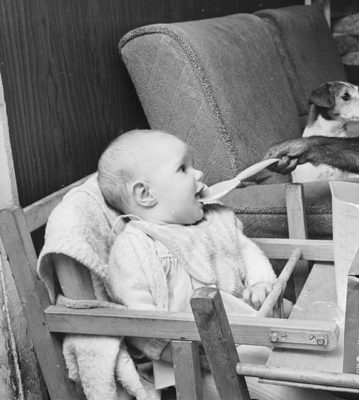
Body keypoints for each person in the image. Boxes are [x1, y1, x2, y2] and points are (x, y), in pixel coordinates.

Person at [98, 129, 338, 400]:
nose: (198, 174)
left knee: (311, 338)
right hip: (198, 364)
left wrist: (261, 282)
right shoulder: (135, 247)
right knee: (291, 393)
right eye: (183, 168)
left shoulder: (214, 221)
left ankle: (333, 376)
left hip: (250, 329)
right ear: (145, 194)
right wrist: (172, 350)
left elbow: (248, 252)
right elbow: (138, 316)